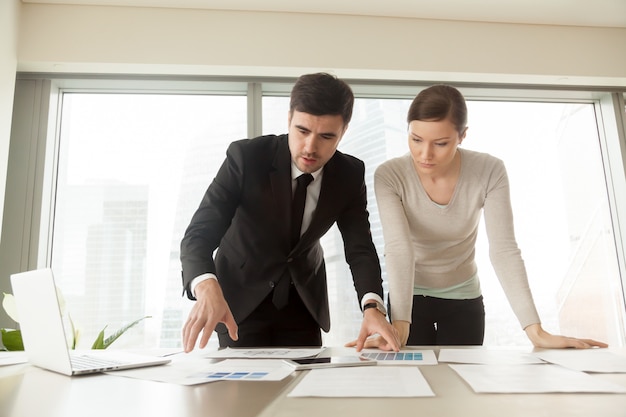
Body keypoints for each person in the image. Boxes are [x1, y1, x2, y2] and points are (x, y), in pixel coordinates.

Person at [356, 84, 607, 349]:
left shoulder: (489, 171)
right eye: (416, 139)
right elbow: (398, 248)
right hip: (408, 299)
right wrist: (401, 324)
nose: (424, 154)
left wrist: (536, 331)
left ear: (462, 136)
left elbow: (504, 250)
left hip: (464, 297)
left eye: (441, 143)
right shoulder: (390, 175)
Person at [180, 72, 400, 353]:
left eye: (326, 136)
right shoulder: (246, 158)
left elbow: (360, 248)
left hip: (303, 303)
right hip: (240, 302)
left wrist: (373, 306)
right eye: (302, 131)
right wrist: (206, 286)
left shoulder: (349, 174)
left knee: (305, 390)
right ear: (288, 119)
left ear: (343, 131)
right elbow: (198, 236)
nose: (310, 147)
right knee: (244, 394)